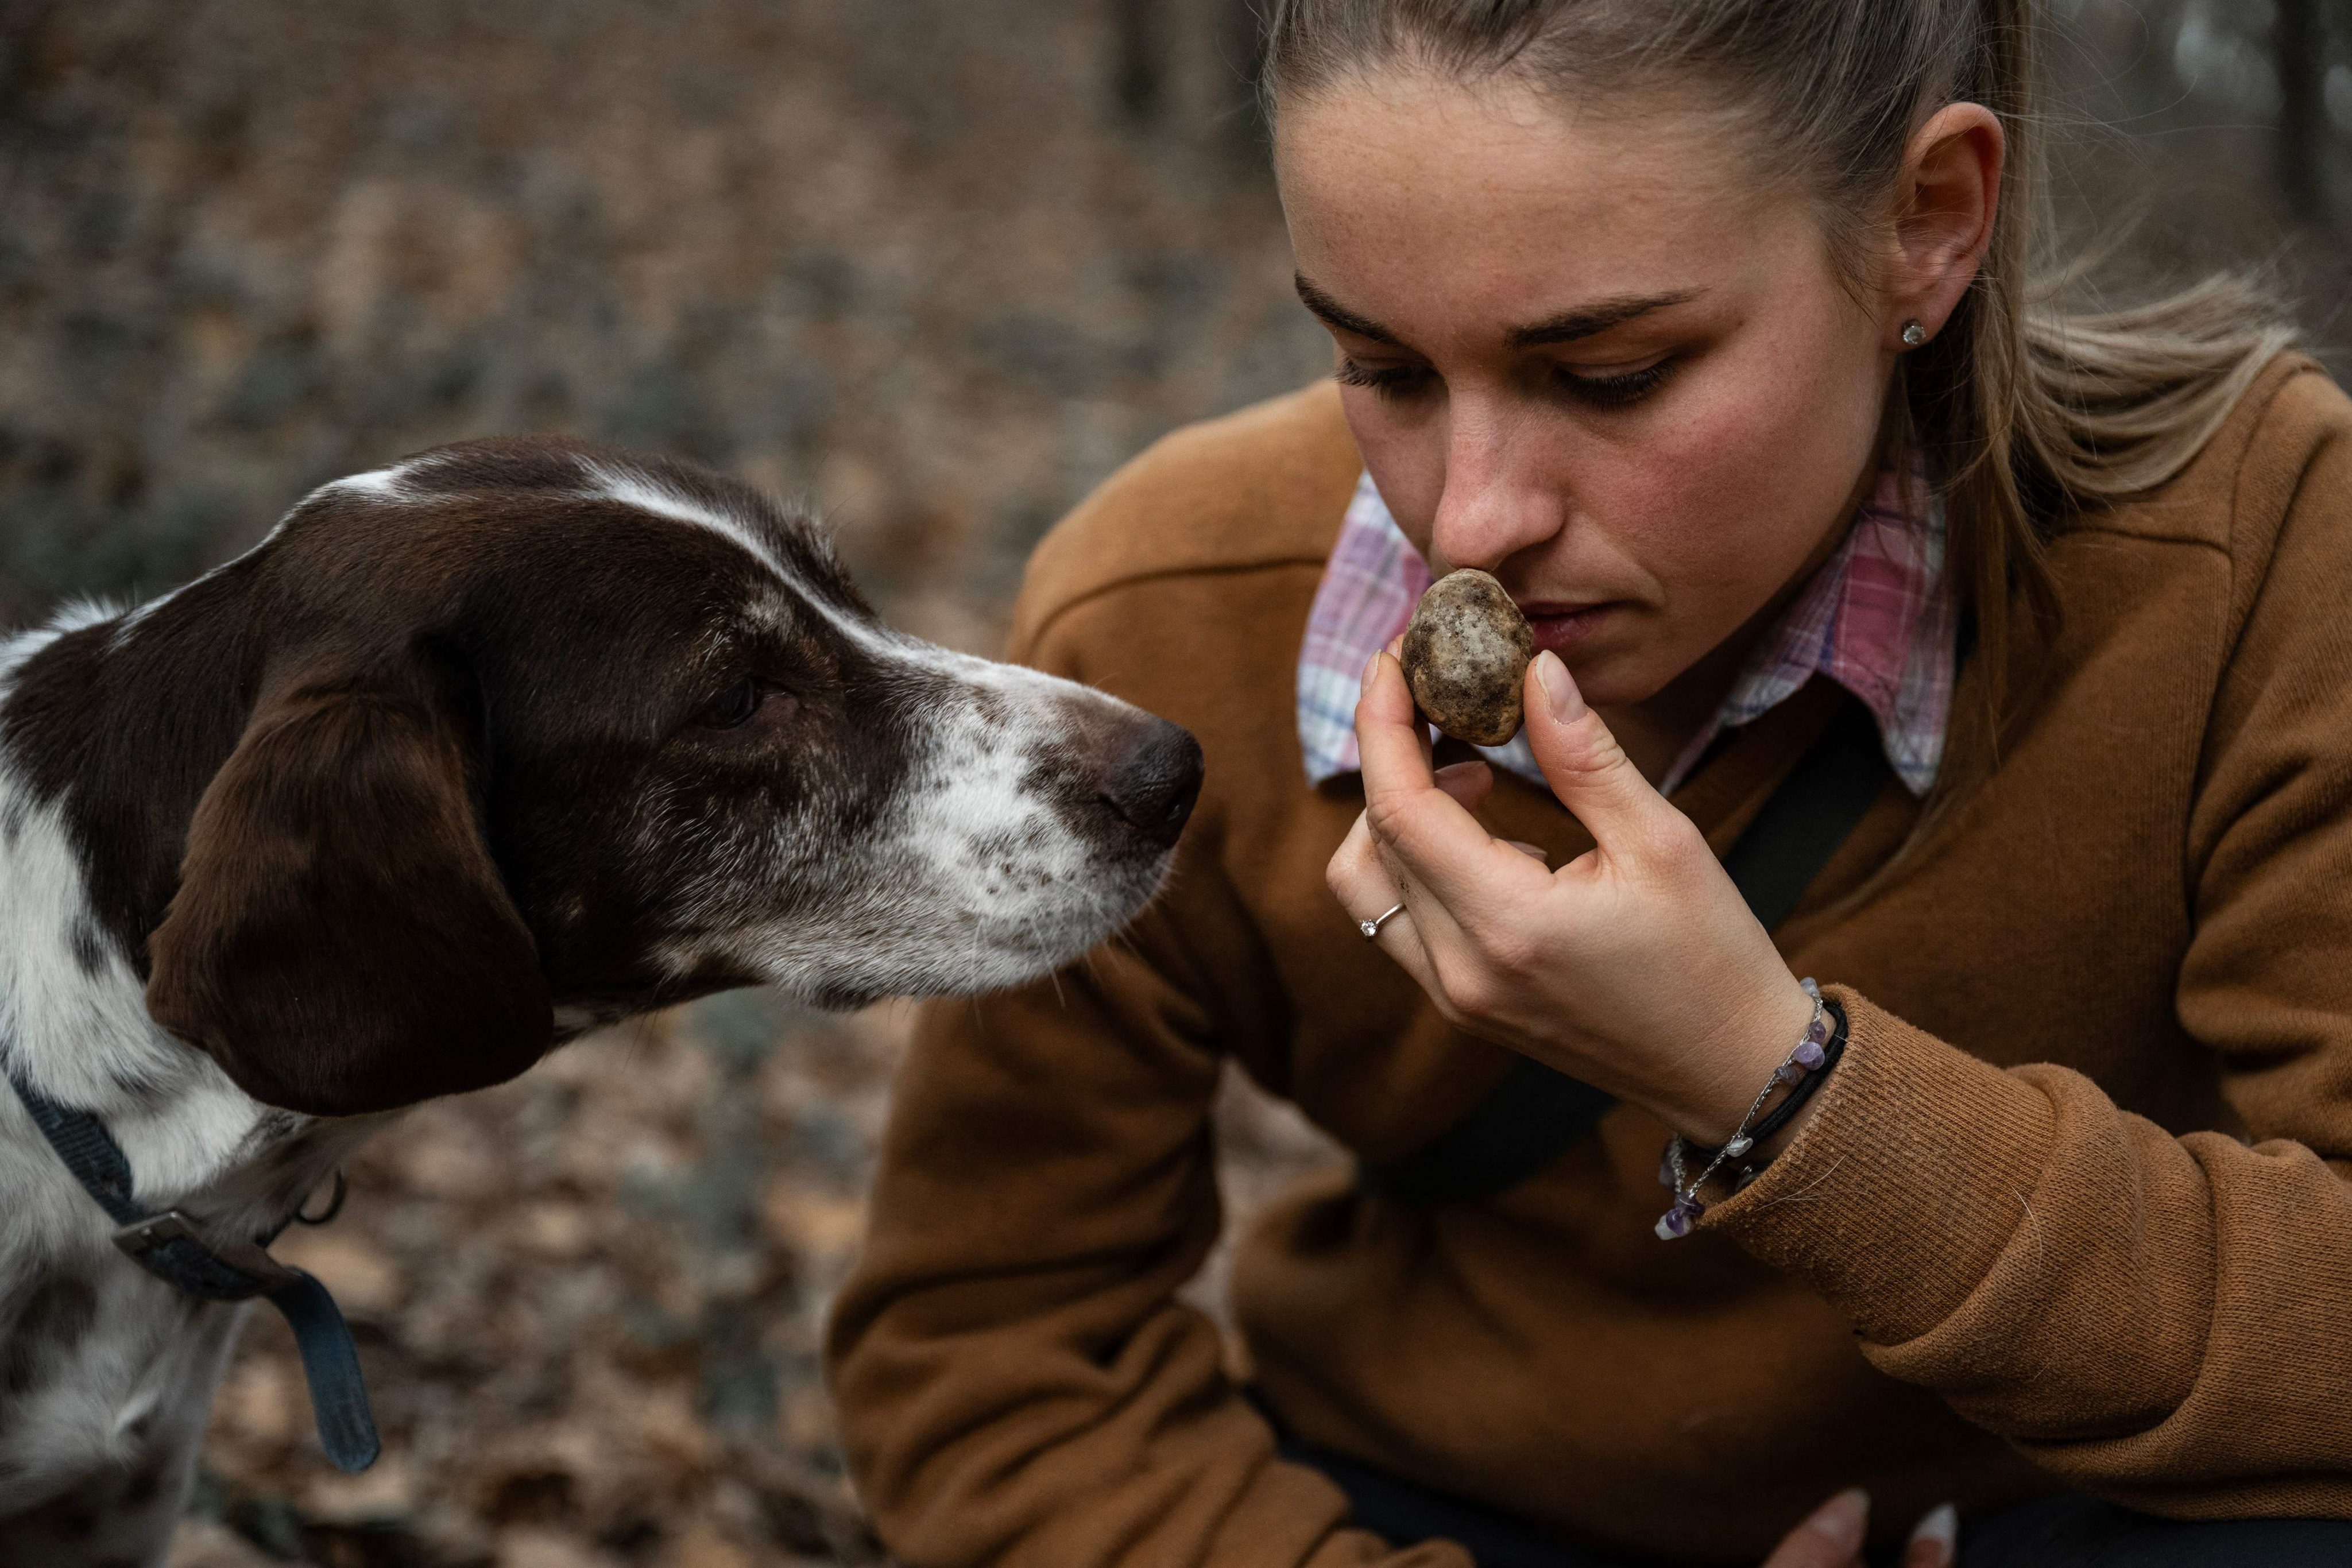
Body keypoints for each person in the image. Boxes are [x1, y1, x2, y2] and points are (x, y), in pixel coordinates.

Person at [825, 1, 2352, 1563]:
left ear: (1927, 223)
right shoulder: (1161, 626)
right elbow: (994, 1355)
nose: (1469, 522)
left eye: (1610, 374)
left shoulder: (2251, 554)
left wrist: (1779, 1083)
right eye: (1382, 368)